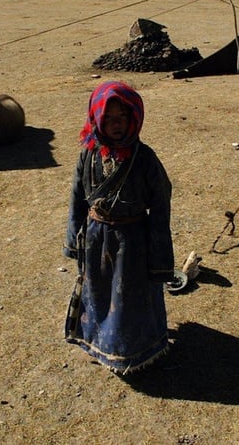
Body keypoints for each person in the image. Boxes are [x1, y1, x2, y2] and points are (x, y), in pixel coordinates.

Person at [63, 80, 175, 374]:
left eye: (121, 119)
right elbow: (77, 198)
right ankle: (101, 344)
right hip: (96, 238)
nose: (114, 125)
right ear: (97, 118)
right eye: (108, 119)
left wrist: (160, 255)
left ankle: (134, 351)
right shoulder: (88, 154)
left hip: (132, 241)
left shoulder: (145, 158)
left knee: (129, 299)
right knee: (100, 294)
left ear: (133, 119)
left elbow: (161, 204)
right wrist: (74, 241)